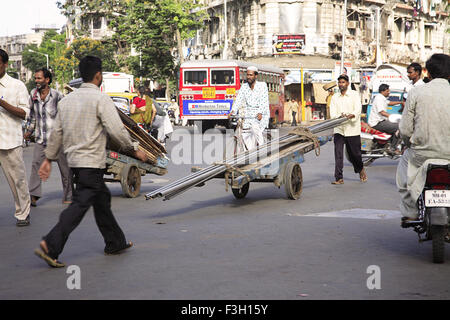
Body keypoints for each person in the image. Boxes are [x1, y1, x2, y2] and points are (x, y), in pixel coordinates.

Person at [34, 56, 148, 268]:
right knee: (79, 205)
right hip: (92, 162)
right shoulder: (101, 99)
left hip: (75, 162)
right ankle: (51, 245)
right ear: (98, 76)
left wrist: (48, 159)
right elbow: (116, 130)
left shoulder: (66, 101)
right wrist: (135, 149)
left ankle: (115, 242)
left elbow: (56, 133)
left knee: (102, 200)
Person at [396, 53, 450, 221]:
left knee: (403, 173)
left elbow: (405, 129)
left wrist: (407, 144)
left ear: (428, 73)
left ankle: (410, 212)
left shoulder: (416, 93)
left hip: (421, 155)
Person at [24, 68, 72, 207]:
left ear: (47, 80)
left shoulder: (57, 96)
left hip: (58, 141)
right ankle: (33, 195)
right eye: (36, 78)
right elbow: (33, 117)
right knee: (35, 166)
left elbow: (65, 117)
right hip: (40, 139)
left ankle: (68, 195)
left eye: (39, 78)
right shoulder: (33, 94)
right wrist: (29, 132)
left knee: (65, 169)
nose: (36, 81)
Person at [0, 49, 32, 226]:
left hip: (10, 140)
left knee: (17, 179)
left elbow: (24, 113)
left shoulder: (17, 85)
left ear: (5, 64)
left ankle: (23, 212)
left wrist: (2, 103)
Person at [329, 74, 367, 185]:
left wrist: (351, 115)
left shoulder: (354, 95)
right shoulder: (335, 97)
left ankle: (360, 169)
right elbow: (333, 113)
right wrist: (339, 117)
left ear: (348, 84)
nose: (341, 84)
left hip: (352, 128)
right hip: (339, 129)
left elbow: (358, 109)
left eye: (343, 82)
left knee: (354, 154)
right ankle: (339, 178)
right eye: (340, 82)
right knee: (338, 154)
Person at [230, 66, 269, 150]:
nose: (248, 77)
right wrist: (232, 111)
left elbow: (264, 101)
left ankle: (262, 149)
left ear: (256, 76)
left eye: (251, 75)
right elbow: (238, 100)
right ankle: (250, 152)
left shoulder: (262, 86)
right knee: (244, 133)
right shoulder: (244, 87)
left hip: (260, 115)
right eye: (247, 75)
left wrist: (260, 113)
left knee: (256, 129)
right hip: (248, 115)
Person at [368, 84, 402, 153]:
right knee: (399, 127)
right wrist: (392, 117)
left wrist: (401, 102)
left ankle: (389, 143)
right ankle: (393, 148)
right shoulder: (379, 99)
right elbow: (382, 112)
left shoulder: (382, 98)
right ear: (382, 91)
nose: (389, 92)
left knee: (394, 125)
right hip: (377, 123)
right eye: (387, 91)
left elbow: (390, 103)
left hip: (380, 121)